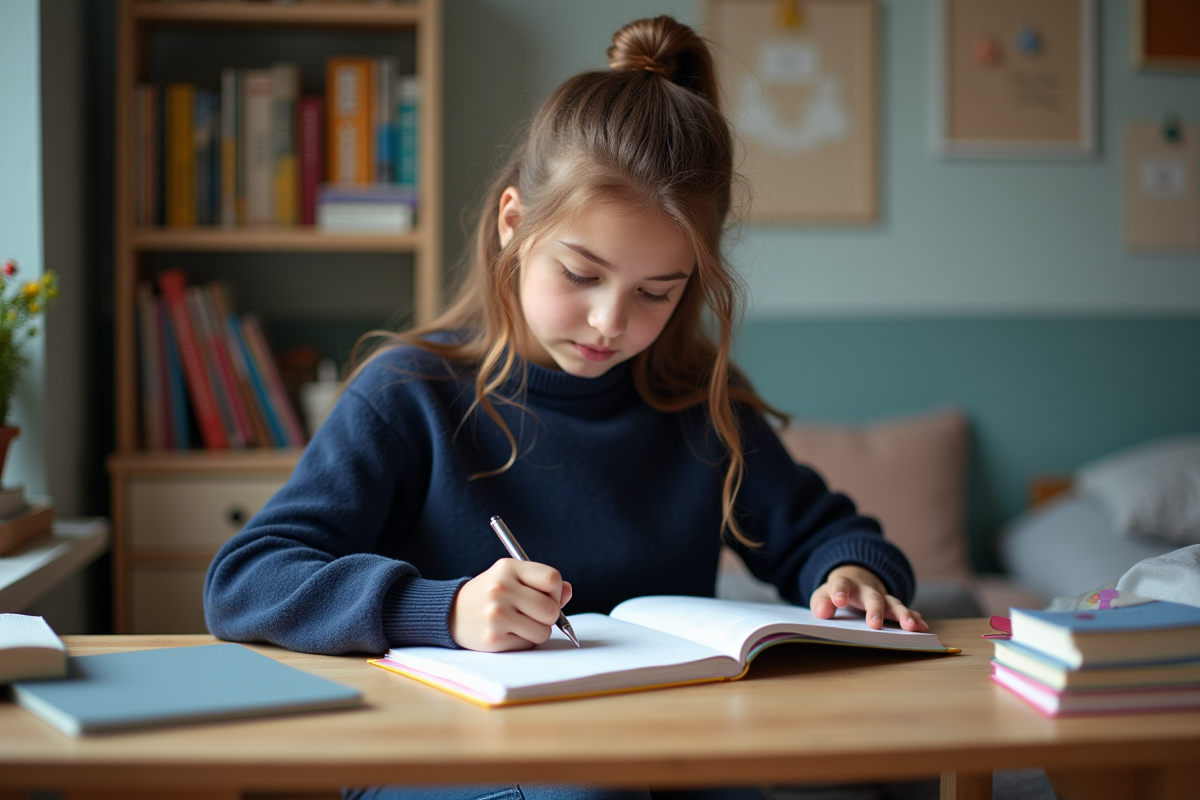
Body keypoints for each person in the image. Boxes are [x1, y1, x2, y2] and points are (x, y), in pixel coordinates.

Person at [205, 15, 926, 800]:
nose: (611, 322)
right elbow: (245, 580)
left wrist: (850, 573)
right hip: (441, 754)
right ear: (515, 223)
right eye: (582, 274)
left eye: (657, 292)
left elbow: (831, 536)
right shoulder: (407, 393)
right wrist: (439, 611)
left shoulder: (699, 409)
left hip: (658, 748)